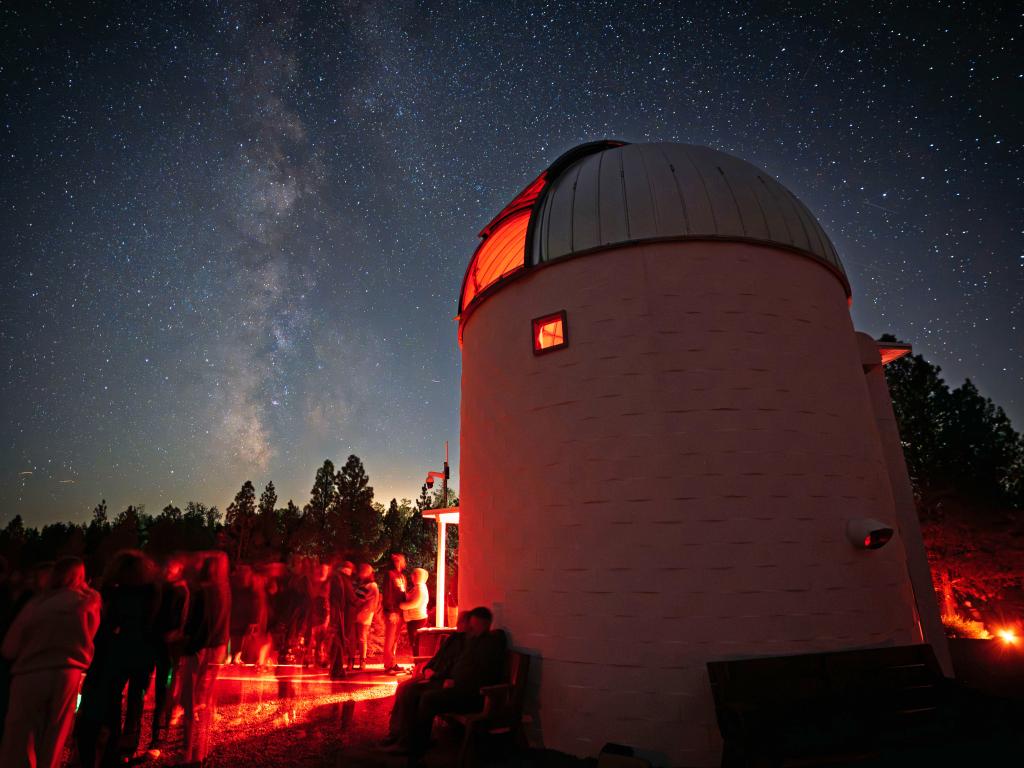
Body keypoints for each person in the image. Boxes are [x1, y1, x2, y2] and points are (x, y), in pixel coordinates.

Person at [0, 556, 100, 768]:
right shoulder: (90, 602)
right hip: (68, 674)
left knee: (21, 737)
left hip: (31, 672)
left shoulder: (37, 604)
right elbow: (91, 634)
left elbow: (9, 647)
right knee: (55, 736)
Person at [384, 612, 469, 746]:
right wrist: (427, 668)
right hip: (432, 674)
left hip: (440, 678)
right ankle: (396, 733)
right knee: (403, 687)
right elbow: (437, 658)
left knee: (410, 691)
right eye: (459, 621)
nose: (458, 624)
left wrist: (434, 674)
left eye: (461, 622)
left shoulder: (465, 643)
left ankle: (407, 738)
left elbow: (453, 665)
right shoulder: (453, 638)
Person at [181, 551, 230, 766]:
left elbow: (196, 623)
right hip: (217, 647)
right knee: (206, 700)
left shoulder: (202, 592)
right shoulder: (225, 589)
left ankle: (187, 751)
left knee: (190, 699)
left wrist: (188, 643)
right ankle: (202, 750)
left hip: (199, 649)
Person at [150, 556, 189, 747]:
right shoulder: (164, 588)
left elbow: (182, 616)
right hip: (159, 638)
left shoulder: (181, 590)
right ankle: (160, 720)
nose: (167, 571)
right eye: (166, 567)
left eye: (170, 568)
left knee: (167, 681)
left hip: (171, 641)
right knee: (163, 680)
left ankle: (163, 723)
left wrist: (178, 632)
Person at [328, 560, 356, 679]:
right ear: (346, 569)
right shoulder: (343, 579)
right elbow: (351, 598)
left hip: (336, 615)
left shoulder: (335, 578)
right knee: (339, 642)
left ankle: (336, 670)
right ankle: (336, 670)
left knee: (338, 642)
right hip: (341, 616)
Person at [350, 563, 379, 671]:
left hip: (362, 615)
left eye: (361, 572)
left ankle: (358, 661)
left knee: (360, 638)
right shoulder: (366, 585)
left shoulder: (370, 585)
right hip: (363, 614)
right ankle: (356, 661)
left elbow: (358, 599)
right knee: (359, 639)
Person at [382, 553, 408, 674]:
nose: (404, 562)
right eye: (403, 559)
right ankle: (388, 666)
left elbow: (402, 594)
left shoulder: (402, 576)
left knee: (395, 639)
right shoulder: (390, 575)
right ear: (397, 561)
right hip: (392, 612)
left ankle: (392, 662)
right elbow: (387, 594)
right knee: (390, 638)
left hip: (400, 612)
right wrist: (390, 611)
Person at [399, 567, 429, 663]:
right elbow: (410, 597)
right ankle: (417, 664)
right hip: (414, 619)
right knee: (414, 643)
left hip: (417, 619)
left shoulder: (420, 588)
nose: (412, 576)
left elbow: (414, 603)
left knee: (416, 643)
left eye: (415, 574)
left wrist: (402, 606)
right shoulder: (417, 587)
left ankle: (418, 664)